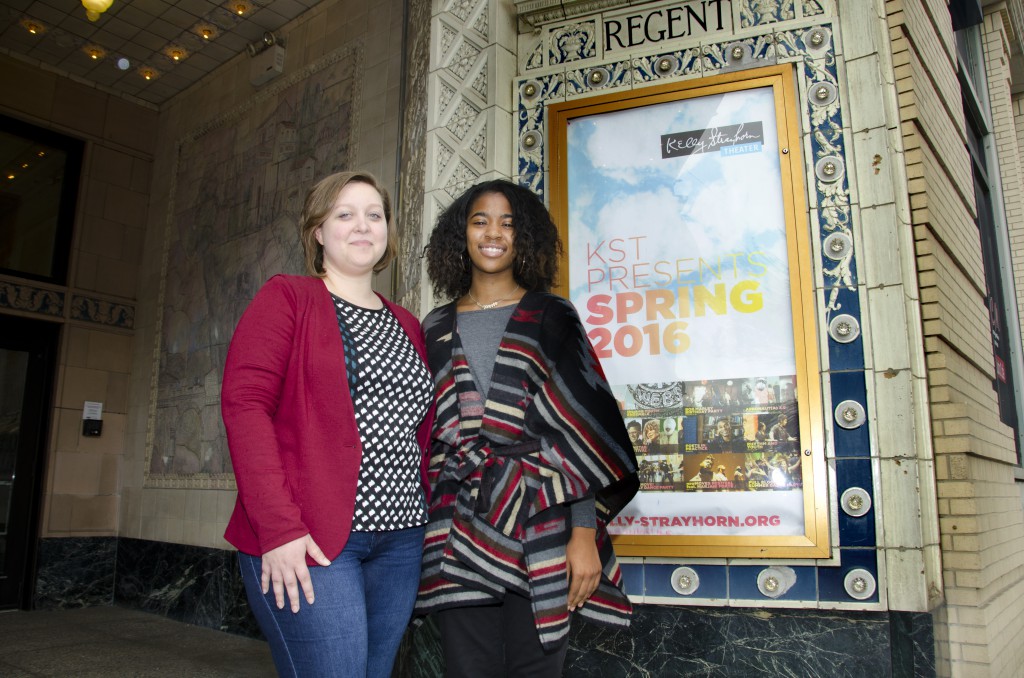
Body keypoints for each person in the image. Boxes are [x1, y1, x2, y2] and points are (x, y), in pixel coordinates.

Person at [416, 179, 639, 677]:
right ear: (461, 235)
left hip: (541, 524)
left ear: (525, 238)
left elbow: (583, 432)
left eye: (508, 223)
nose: (493, 233)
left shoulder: (552, 316)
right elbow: (423, 436)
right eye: (480, 221)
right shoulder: (432, 327)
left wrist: (584, 534)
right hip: (456, 525)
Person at [220, 171, 434, 678]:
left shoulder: (406, 322)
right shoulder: (288, 297)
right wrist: (277, 528)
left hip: (402, 538)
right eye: (345, 214)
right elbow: (244, 405)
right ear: (318, 231)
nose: (363, 226)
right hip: (311, 535)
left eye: (374, 215)